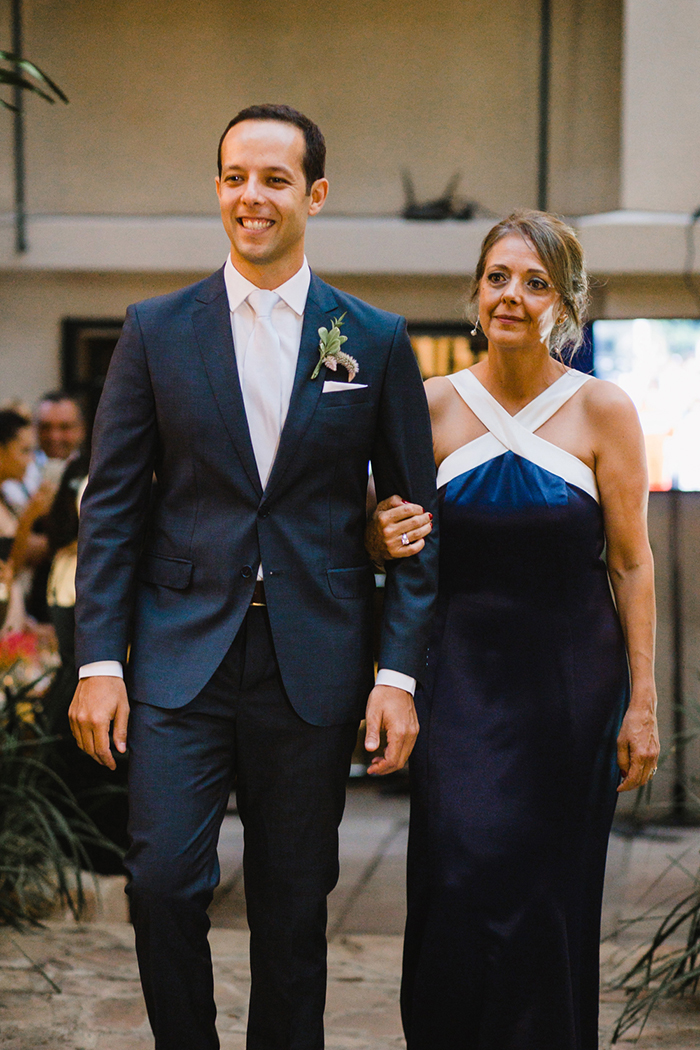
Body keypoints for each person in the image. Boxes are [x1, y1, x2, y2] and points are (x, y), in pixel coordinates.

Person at [69, 104, 438, 1050]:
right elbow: (110, 507)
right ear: (218, 187)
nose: (252, 197)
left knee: (292, 903)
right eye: (236, 177)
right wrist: (97, 661)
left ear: (314, 194)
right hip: (176, 656)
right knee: (159, 885)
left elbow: (413, 527)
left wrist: (395, 676)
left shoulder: (376, 338)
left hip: (311, 660)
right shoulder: (154, 330)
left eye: (274, 179)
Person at [366, 211, 659, 1049]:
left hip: (572, 691)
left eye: (536, 282)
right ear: (475, 291)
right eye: (499, 276)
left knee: (548, 898)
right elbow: (387, 537)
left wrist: (641, 702)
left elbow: (632, 564)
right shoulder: (426, 407)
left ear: (564, 303)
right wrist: (375, 535)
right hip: (458, 686)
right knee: (456, 881)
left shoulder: (604, 410)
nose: (513, 296)